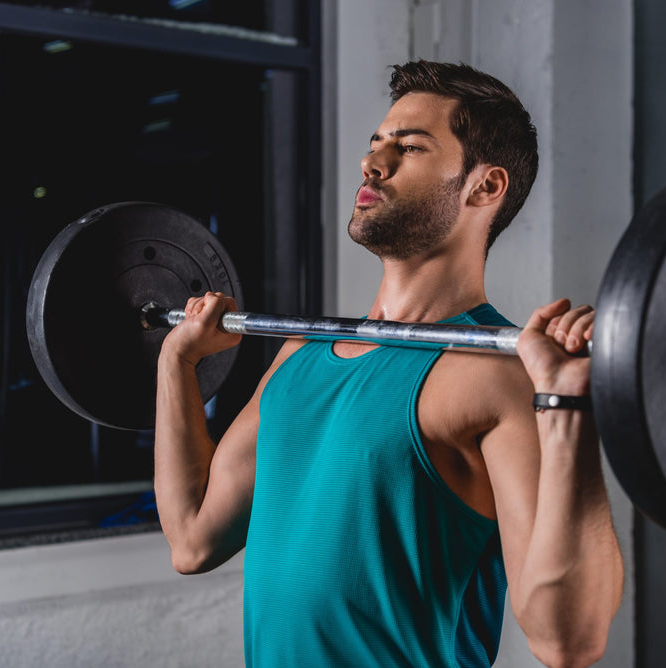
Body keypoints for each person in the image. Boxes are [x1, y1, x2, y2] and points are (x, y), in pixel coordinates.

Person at [154, 60, 623, 668]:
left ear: (484, 187)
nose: (373, 163)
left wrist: (567, 407)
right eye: (377, 143)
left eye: (410, 147)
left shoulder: (497, 376)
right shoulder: (301, 356)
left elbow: (568, 640)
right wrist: (176, 363)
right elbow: (192, 540)